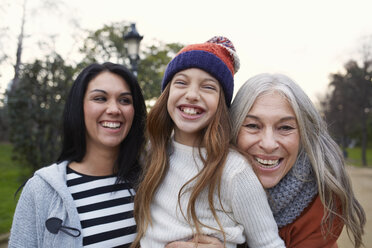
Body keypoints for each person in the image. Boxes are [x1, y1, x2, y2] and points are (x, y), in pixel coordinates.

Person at [131, 37, 285, 248]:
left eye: (208, 87)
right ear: (167, 94)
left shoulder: (233, 170)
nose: (192, 94)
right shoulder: (155, 153)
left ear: (221, 104)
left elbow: (270, 244)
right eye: (181, 82)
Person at [9, 62, 147, 248]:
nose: (114, 109)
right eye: (99, 98)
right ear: (78, 107)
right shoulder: (41, 190)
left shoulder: (148, 184)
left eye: (125, 100)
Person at [229, 73, 366, 248]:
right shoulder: (203, 186)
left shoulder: (321, 204)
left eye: (285, 127)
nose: (269, 144)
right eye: (253, 126)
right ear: (232, 130)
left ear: (303, 135)